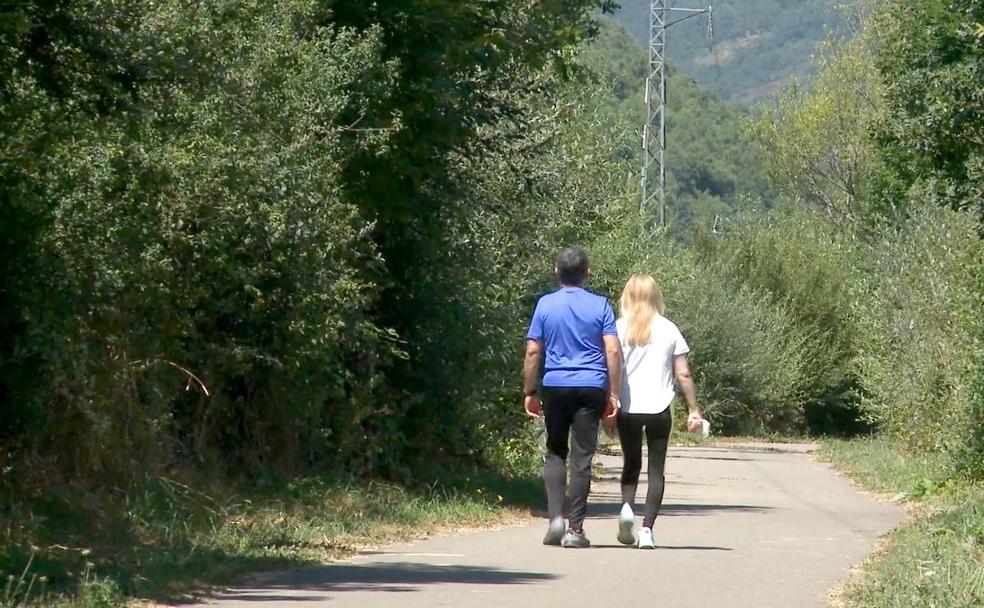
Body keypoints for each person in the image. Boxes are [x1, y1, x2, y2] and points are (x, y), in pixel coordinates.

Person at [522, 247, 621, 548]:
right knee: (582, 458)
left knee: (555, 451)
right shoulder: (601, 305)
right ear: (587, 272)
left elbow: (533, 350)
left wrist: (529, 390)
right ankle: (575, 530)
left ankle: (555, 519)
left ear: (556, 271)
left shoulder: (545, 305)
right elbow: (613, 350)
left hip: (555, 384)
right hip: (591, 386)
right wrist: (613, 393)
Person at [612, 274, 704, 549]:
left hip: (627, 407)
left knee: (631, 462)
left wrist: (608, 402)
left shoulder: (617, 328)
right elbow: (683, 373)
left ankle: (627, 508)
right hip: (659, 408)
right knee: (656, 470)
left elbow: (609, 367)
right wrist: (694, 409)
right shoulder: (668, 329)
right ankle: (647, 530)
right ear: (656, 296)